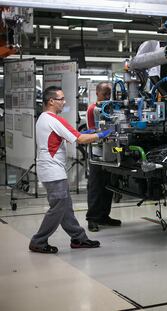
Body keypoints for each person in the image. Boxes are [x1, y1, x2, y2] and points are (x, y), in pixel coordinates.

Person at [29, 86, 112, 254]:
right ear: (51, 101)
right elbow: (80, 139)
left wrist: (91, 132)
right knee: (58, 208)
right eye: (61, 99)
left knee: (65, 207)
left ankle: (79, 238)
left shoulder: (43, 118)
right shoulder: (53, 119)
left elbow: (68, 136)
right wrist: (103, 134)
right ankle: (38, 241)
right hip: (53, 171)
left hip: (51, 169)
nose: (64, 102)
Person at [85, 82, 121, 232]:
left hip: (111, 151)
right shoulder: (93, 109)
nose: (107, 96)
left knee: (108, 185)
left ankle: (104, 216)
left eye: (109, 94)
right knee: (95, 186)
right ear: (97, 93)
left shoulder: (111, 107)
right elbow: (95, 130)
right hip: (97, 152)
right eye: (104, 93)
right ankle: (92, 219)